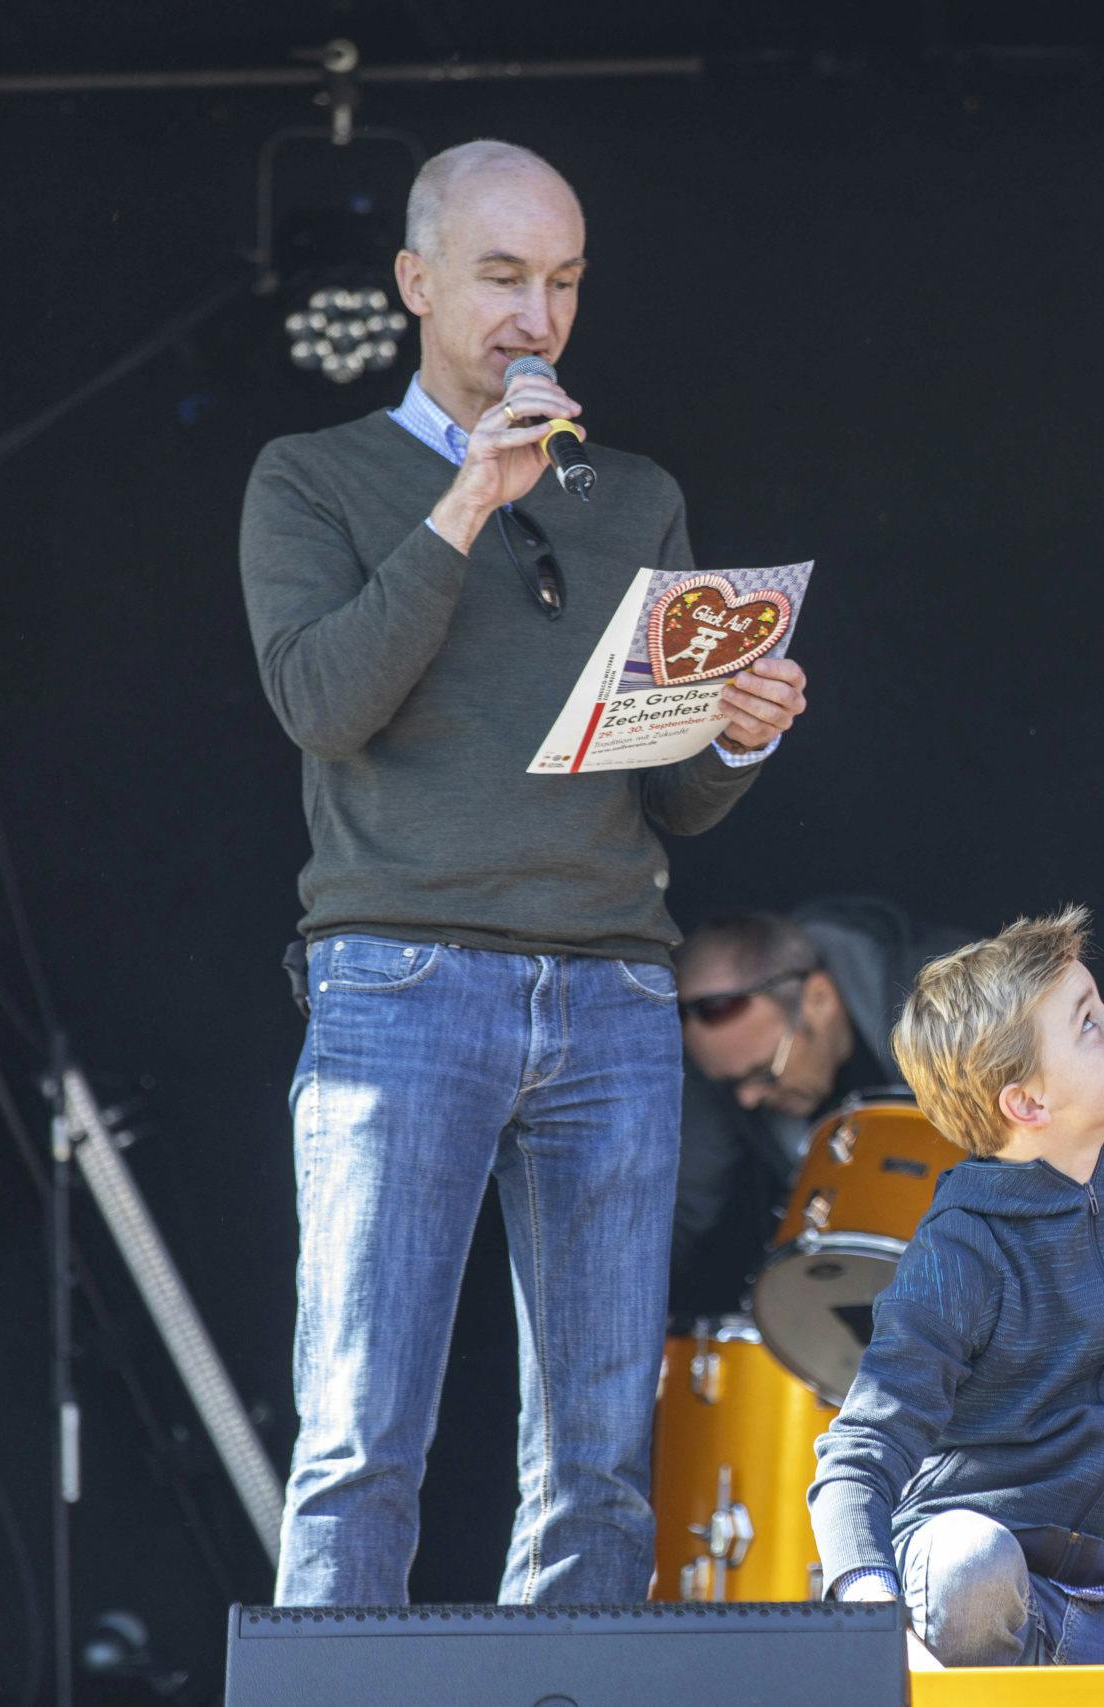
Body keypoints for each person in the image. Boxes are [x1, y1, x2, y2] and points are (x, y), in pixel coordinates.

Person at [239, 138, 808, 1606]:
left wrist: (738, 730)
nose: (534, 315)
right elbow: (320, 702)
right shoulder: (312, 478)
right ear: (417, 281)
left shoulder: (635, 494)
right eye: (500, 276)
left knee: (600, 1453)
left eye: (560, 281)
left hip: (614, 987)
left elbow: (673, 797)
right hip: (402, 978)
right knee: (363, 1431)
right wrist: (462, 506)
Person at [807, 907, 1104, 1668]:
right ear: (1027, 1104)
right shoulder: (962, 1247)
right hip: (969, 1575)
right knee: (972, 1559)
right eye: (1090, 1023)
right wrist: (873, 1614)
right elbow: (860, 1449)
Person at [667, 897, 1104, 1318]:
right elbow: (683, 1209)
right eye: (729, 1084)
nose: (747, 1099)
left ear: (819, 999)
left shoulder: (954, 1001)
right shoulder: (730, 1064)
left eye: (765, 1072)